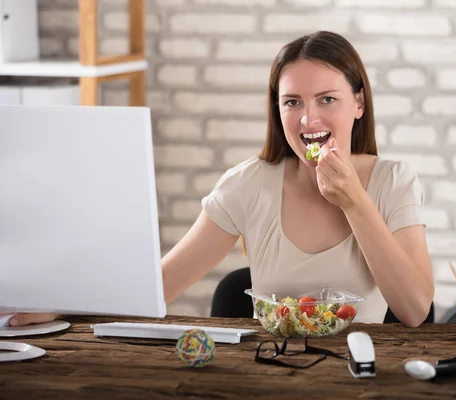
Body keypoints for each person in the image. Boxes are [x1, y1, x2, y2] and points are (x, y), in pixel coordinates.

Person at [9, 31, 433, 328]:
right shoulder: (249, 184)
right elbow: (161, 284)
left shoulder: (393, 181)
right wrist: (66, 305)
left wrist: (355, 201)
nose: (309, 119)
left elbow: (413, 309)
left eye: (327, 99)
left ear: (358, 103)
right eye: (292, 102)